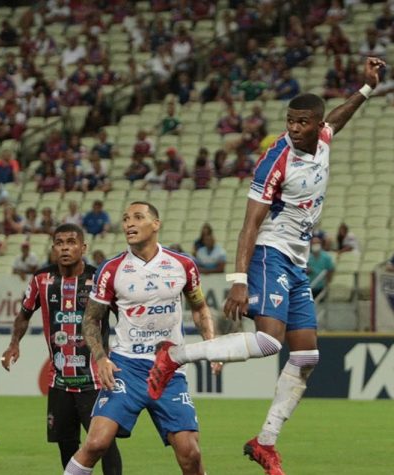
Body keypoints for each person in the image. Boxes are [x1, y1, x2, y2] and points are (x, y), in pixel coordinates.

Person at [146, 57, 387, 475]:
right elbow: (250, 224)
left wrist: (366, 89)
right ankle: (175, 355)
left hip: (297, 261)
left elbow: (337, 119)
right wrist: (239, 282)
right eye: (290, 121)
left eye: (302, 122)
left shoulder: (324, 138)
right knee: (270, 342)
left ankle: (265, 442)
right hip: (269, 252)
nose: (294, 128)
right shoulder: (277, 160)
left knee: (308, 356)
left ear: (315, 125)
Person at [63, 202, 219, 475]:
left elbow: (200, 308)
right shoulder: (111, 269)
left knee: (190, 454)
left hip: (168, 370)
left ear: (156, 224)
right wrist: (100, 359)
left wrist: (211, 342)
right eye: (125, 219)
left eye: (137, 217)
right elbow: (90, 319)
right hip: (126, 368)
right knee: (97, 443)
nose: (128, 224)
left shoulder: (183, 265)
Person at [3, 224, 122, 474]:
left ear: (83, 247)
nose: (65, 247)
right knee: (66, 444)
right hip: (60, 382)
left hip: (96, 381)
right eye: (59, 242)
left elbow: (124, 315)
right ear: (53, 247)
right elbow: (24, 315)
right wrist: (14, 344)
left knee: (103, 444)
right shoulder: (41, 280)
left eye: (71, 242)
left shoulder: (98, 279)